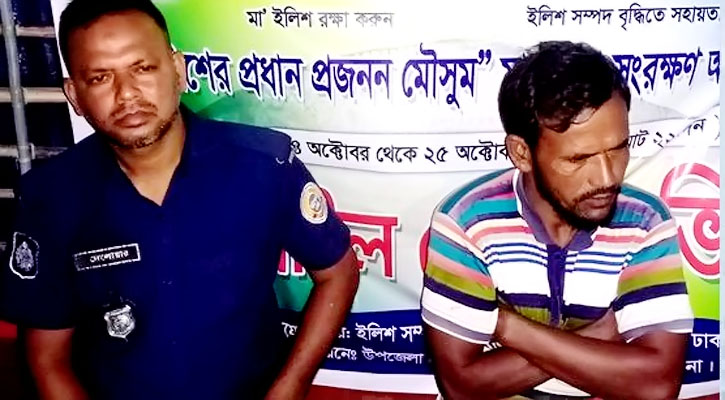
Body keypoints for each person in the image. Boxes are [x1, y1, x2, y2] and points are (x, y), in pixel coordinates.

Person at [0, 0, 359, 399]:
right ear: (75, 96)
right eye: (100, 77)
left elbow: (338, 272)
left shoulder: (263, 166)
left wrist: (291, 385)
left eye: (143, 68)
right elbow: (48, 358)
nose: (126, 94)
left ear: (178, 70)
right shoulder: (51, 198)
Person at [421, 41, 693, 400]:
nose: (607, 177)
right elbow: (462, 386)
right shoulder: (468, 222)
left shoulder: (644, 221)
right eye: (578, 159)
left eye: (618, 149)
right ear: (522, 153)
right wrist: (595, 336)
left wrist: (507, 325)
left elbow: (656, 385)